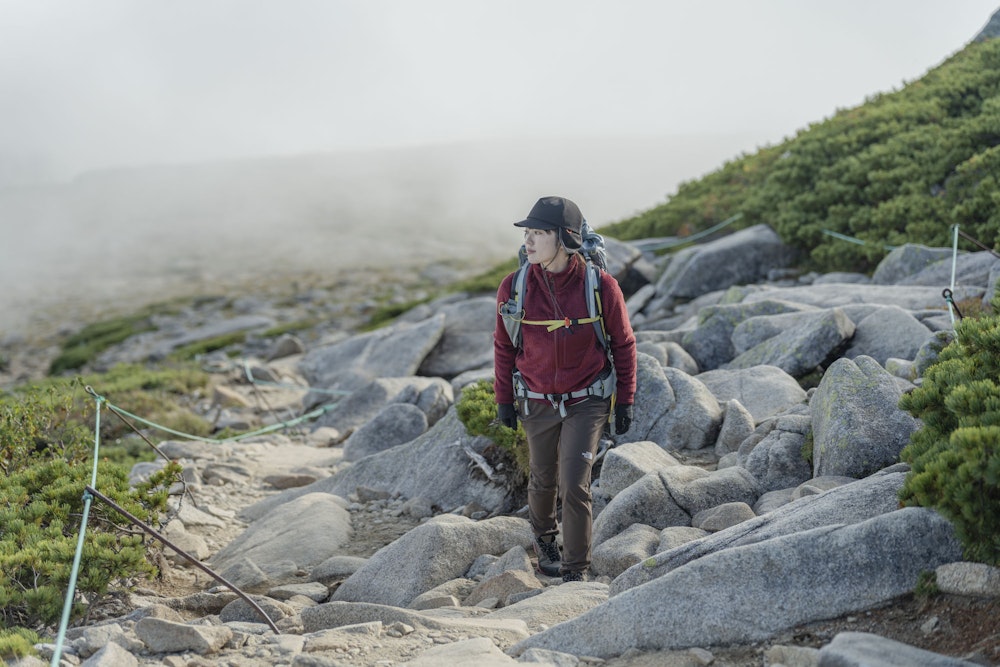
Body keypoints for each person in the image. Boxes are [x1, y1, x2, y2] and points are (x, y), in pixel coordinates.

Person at [493, 195, 637, 583]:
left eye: (539, 232)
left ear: (566, 238)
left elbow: (623, 344)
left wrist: (624, 401)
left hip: (586, 399)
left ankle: (576, 572)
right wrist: (504, 400)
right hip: (536, 399)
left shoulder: (600, 286)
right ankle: (545, 541)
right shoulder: (515, 286)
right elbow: (505, 346)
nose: (529, 241)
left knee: (575, 483)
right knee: (542, 479)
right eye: (528, 232)